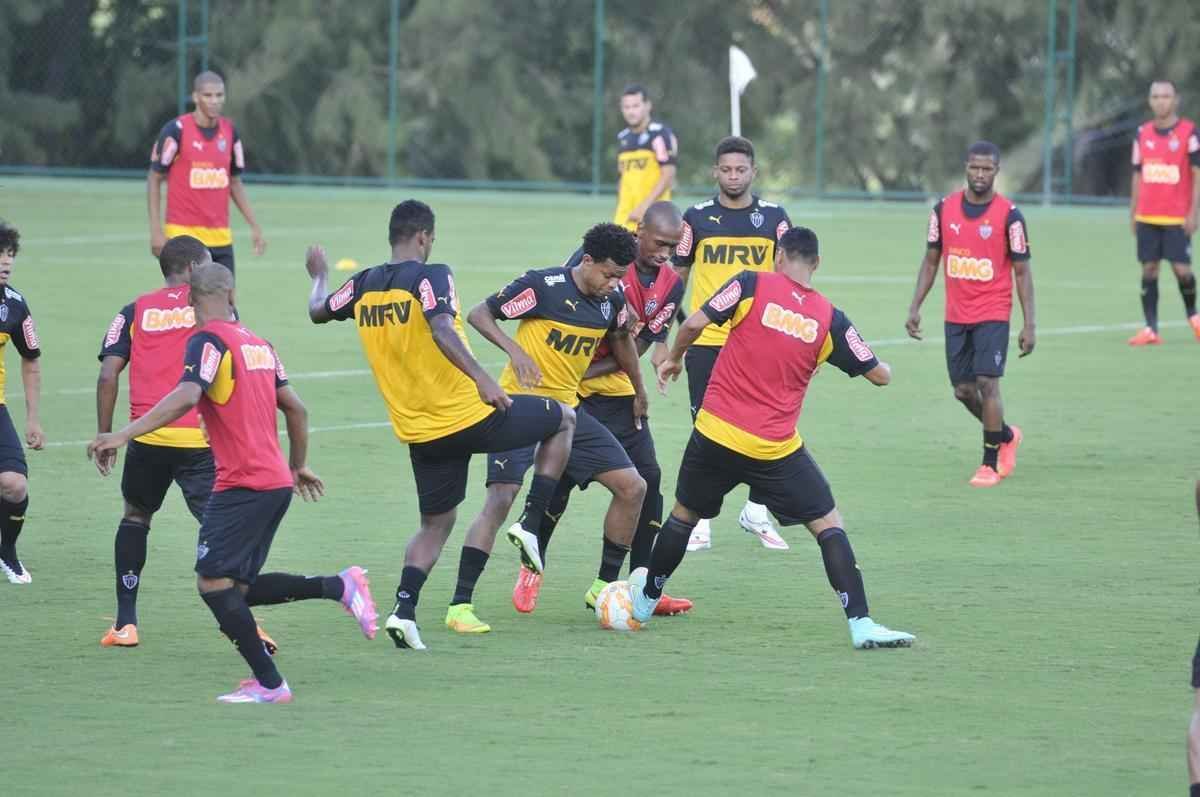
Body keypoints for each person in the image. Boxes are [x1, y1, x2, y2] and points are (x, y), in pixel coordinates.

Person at [87, 262, 376, 704]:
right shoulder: (259, 343)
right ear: (232, 294)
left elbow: (187, 395)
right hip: (273, 481)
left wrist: (122, 434)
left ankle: (271, 684)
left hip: (243, 483)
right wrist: (298, 465)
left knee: (213, 585)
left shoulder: (207, 340)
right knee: (236, 587)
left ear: (190, 300)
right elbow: (296, 408)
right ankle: (339, 587)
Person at [305, 200, 574, 650]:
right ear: (423, 237)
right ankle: (531, 522)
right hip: (469, 417)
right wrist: (483, 378)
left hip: (421, 432)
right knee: (563, 418)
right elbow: (443, 328)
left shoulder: (362, 285)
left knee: (436, 523)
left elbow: (318, 309)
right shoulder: (432, 275)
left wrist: (319, 274)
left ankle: (403, 612)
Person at [631, 226, 914, 651]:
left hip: (716, 433)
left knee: (685, 515)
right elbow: (880, 376)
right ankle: (861, 623)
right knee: (828, 525)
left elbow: (691, 324)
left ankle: (644, 602)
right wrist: (880, 364)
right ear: (817, 264)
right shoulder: (830, 319)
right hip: (774, 448)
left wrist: (673, 359)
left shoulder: (750, 284)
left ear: (779, 256)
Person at [458, 222, 648, 632]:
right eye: (608, 274)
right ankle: (460, 605)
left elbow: (622, 340)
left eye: (620, 277)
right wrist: (515, 350)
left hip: (568, 414)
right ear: (587, 261)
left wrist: (639, 388)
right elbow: (479, 314)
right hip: (517, 407)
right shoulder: (543, 286)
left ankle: (603, 588)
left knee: (633, 487)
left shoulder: (612, 301)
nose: (613, 284)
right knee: (500, 499)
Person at [512, 202, 692, 617]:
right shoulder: (601, 256)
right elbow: (563, 305)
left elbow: (637, 343)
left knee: (648, 480)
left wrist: (626, 382)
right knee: (560, 483)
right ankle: (532, 570)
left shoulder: (671, 284)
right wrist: (574, 371)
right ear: (639, 230)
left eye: (672, 247)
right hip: (571, 391)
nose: (665, 254)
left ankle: (638, 587)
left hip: (617, 390)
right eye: (659, 243)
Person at [672, 135, 791, 551]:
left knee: (768, 423)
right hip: (707, 340)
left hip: (759, 341)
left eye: (741, 169)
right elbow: (677, 277)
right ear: (715, 172)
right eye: (726, 169)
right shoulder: (695, 218)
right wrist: (670, 328)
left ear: (754, 172)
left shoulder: (775, 218)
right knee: (706, 430)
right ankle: (701, 518)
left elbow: (789, 277)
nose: (734, 176)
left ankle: (756, 510)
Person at [94, 235, 214, 646]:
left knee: (135, 517)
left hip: (146, 436)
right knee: (219, 525)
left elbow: (107, 375)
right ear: (194, 268)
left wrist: (107, 434)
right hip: (199, 438)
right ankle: (244, 621)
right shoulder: (211, 305)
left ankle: (125, 623)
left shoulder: (133, 311)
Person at [906, 140, 1036, 488]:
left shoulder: (1010, 216)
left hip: (993, 311)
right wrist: (915, 306)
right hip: (956, 315)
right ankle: (1005, 436)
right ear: (966, 167)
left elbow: (1022, 272)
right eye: (975, 167)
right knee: (964, 391)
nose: (980, 174)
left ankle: (989, 463)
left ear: (996, 171)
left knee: (988, 384)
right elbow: (931, 261)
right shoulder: (943, 210)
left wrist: (1029, 324)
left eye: (987, 169)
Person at [148, 71, 265, 274]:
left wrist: (254, 225)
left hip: (221, 237)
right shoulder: (176, 130)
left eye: (219, 95)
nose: (214, 101)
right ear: (195, 97)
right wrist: (156, 231)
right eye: (208, 95)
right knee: (187, 295)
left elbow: (234, 182)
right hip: (183, 238)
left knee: (227, 295)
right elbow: (154, 177)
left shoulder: (230, 132)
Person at [1127, 79, 1200, 345]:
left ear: (1175, 100)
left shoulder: (1189, 132)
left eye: (1166, 96)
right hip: (1147, 215)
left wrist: (1194, 212)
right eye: (1156, 96)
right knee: (1149, 269)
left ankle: (1194, 317)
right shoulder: (1142, 133)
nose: (1161, 101)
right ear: (1150, 101)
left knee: (1182, 270)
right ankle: (1150, 329)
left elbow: (1197, 175)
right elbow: (1137, 175)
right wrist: (1133, 212)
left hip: (1177, 217)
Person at [0, 221, 44, 584]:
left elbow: (31, 359)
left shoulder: (14, 305)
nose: (6, 261)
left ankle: (7, 551)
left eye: (10, 254)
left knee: (15, 484)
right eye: (0, 254)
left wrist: (33, 418)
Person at [613, 84, 678, 231]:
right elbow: (623, 178)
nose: (631, 111)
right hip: (625, 218)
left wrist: (644, 206)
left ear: (647, 106)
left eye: (635, 106)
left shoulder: (659, 135)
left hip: (653, 217)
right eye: (626, 107)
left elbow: (668, 174)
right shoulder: (623, 138)